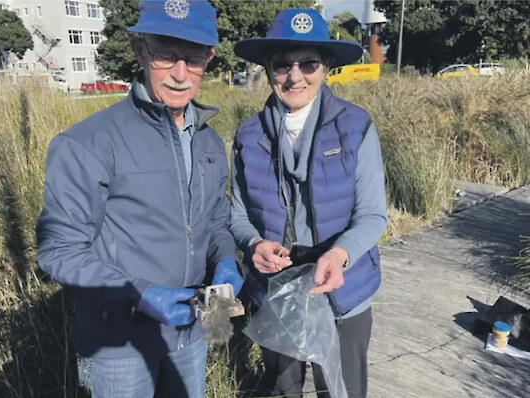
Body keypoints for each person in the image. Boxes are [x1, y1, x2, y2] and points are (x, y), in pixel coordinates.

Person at [36, 1, 243, 397]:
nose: (181, 74)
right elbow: (59, 250)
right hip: (119, 346)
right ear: (140, 49)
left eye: (194, 57)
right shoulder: (87, 142)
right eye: (166, 54)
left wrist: (228, 259)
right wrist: (139, 293)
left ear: (209, 58)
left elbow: (216, 222)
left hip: (188, 336)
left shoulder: (210, 142)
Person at [230, 8, 387, 398]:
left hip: (343, 286)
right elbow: (237, 214)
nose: (295, 76)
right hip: (276, 288)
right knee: (284, 388)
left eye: (309, 64)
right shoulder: (247, 135)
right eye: (283, 65)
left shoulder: (357, 126)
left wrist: (339, 257)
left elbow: (372, 215)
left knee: (342, 389)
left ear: (327, 66)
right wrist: (253, 245)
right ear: (268, 67)